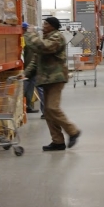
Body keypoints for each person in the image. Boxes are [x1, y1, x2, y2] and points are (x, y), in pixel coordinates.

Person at [24, 16, 81, 151]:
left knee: (52, 108)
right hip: (46, 79)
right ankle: (57, 141)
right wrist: (25, 73)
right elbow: (36, 59)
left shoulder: (57, 37)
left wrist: (30, 34)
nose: (43, 26)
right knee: (49, 112)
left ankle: (73, 131)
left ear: (53, 26)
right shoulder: (47, 37)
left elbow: (43, 48)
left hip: (56, 78)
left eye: (46, 24)